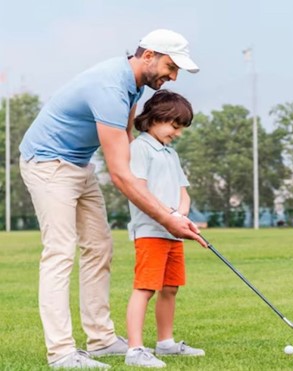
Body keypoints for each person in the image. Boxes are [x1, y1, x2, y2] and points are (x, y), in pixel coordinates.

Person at [18, 29, 207, 369]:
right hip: (47, 163)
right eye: (171, 66)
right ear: (148, 55)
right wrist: (167, 219)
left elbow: (125, 141)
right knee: (60, 251)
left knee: (100, 247)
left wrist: (161, 204)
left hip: (78, 163)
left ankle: (102, 340)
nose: (173, 76)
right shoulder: (110, 86)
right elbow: (120, 174)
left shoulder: (132, 84)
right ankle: (61, 352)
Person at [124, 90, 205, 368]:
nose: (178, 133)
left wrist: (181, 214)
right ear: (156, 118)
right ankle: (134, 349)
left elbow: (184, 192)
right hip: (149, 232)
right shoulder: (140, 148)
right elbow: (139, 189)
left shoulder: (171, 153)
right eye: (175, 126)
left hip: (173, 232)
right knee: (145, 288)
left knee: (170, 288)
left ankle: (165, 343)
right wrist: (168, 215)